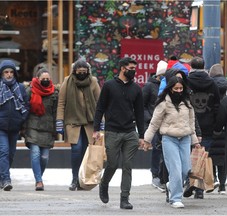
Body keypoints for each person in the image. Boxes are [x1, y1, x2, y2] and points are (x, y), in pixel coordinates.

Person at [93, 57, 145, 210]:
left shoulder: (136, 89)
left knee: (127, 165)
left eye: (134, 68)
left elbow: (140, 113)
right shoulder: (109, 86)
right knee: (112, 164)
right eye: (130, 68)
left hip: (130, 132)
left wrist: (141, 136)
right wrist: (96, 129)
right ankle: (104, 184)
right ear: (122, 68)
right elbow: (100, 108)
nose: (133, 71)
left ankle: (124, 198)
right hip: (112, 131)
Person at [144, 76, 200, 209]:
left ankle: (171, 185)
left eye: (181, 88)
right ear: (170, 89)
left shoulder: (188, 103)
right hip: (169, 139)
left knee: (186, 169)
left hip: (185, 139)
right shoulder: (163, 103)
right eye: (176, 88)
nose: (179, 91)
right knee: (175, 169)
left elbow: (191, 123)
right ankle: (175, 198)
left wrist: (195, 141)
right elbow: (154, 123)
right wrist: (147, 140)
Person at [56, 59, 101, 191]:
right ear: (74, 71)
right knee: (76, 149)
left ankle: (83, 179)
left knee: (86, 151)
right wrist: (59, 121)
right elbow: (61, 102)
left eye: (84, 72)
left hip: (89, 122)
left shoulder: (93, 81)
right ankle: (75, 179)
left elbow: (99, 103)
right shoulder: (67, 81)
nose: (81, 74)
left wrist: (101, 121)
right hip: (72, 121)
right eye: (79, 72)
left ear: (88, 71)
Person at [186, 56, 220, 199]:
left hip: (189, 123)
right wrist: (217, 125)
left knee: (188, 156)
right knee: (203, 156)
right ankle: (199, 189)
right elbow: (217, 105)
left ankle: (189, 182)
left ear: (191, 67)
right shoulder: (212, 83)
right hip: (207, 124)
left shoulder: (186, 81)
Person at [24, 68, 58, 191]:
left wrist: (57, 128)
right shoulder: (30, 91)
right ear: (37, 79)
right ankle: (39, 181)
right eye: (43, 79)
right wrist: (22, 126)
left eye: (47, 79)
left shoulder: (54, 92)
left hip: (48, 128)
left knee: (44, 157)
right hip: (32, 126)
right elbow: (24, 109)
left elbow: (56, 112)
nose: (45, 81)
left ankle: (39, 178)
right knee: (35, 153)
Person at [0, 60, 30, 191]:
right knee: (4, 152)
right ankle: (6, 179)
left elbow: (26, 105)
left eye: (11, 72)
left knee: (11, 154)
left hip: (14, 127)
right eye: (6, 72)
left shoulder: (20, 87)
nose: (9, 74)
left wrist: (21, 119)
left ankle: (2, 177)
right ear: (1, 73)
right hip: (1, 127)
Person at [142, 60, 167, 192]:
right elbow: (142, 105)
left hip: (166, 123)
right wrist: (149, 118)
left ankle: (162, 176)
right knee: (157, 149)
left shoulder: (169, 84)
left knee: (164, 149)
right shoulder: (149, 86)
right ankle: (155, 174)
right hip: (153, 122)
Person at [208, 63, 227, 194]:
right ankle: (222, 185)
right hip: (226, 126)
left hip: (211, 125)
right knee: (223, 156)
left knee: (211, 155)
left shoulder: (209, 85)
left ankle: (213, 179)